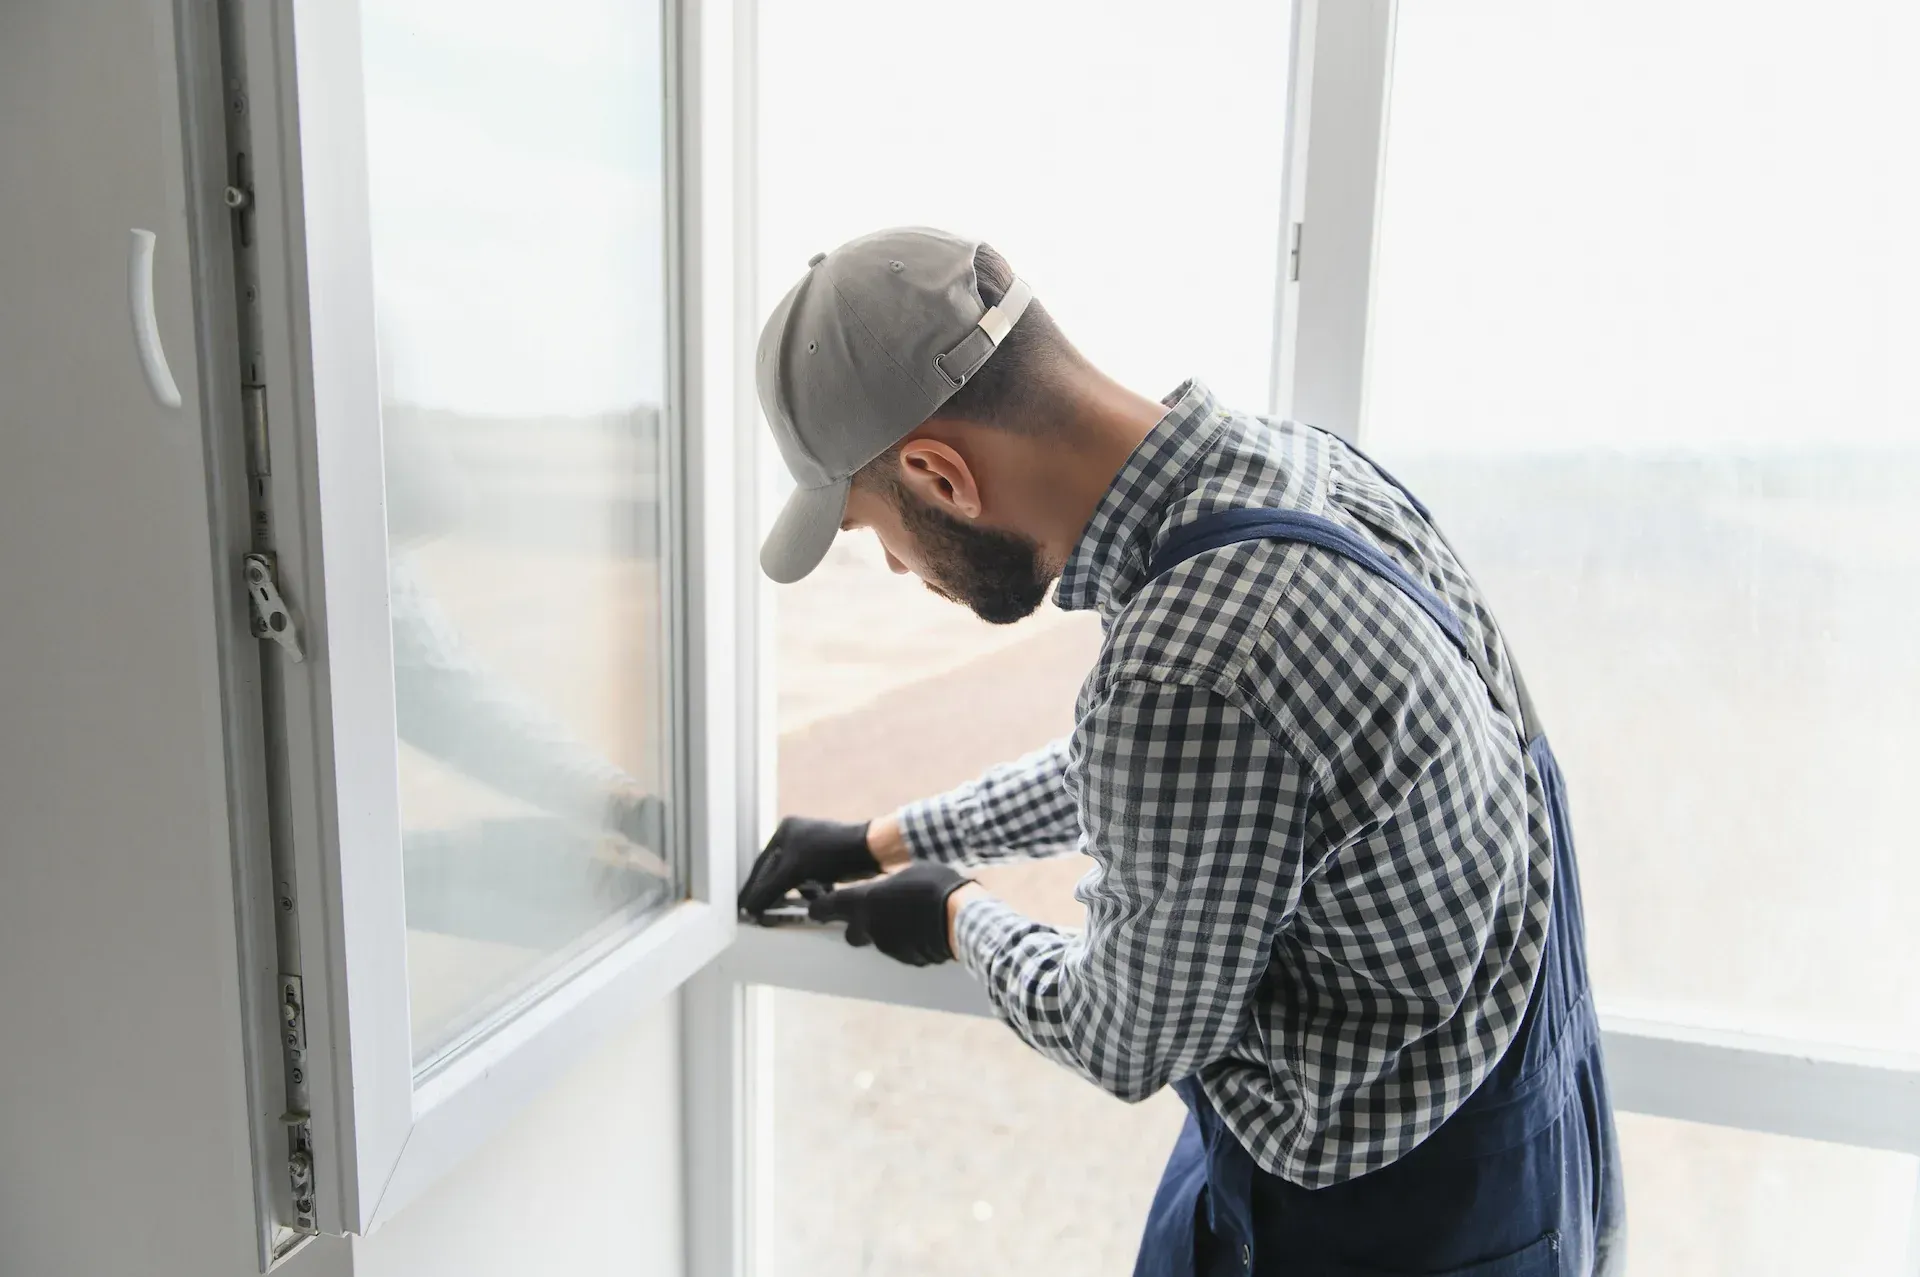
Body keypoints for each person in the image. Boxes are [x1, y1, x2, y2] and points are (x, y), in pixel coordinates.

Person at [739, 227, 1625, 1276]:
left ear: (940, 472)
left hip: (1382, 1228)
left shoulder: (1188, 662)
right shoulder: (1304, 471)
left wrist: (952, 911)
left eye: (868, 527)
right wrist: (888, 835)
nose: (892, 563)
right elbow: (1177, 790)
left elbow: (1124, 1037)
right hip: (1521, 1139)